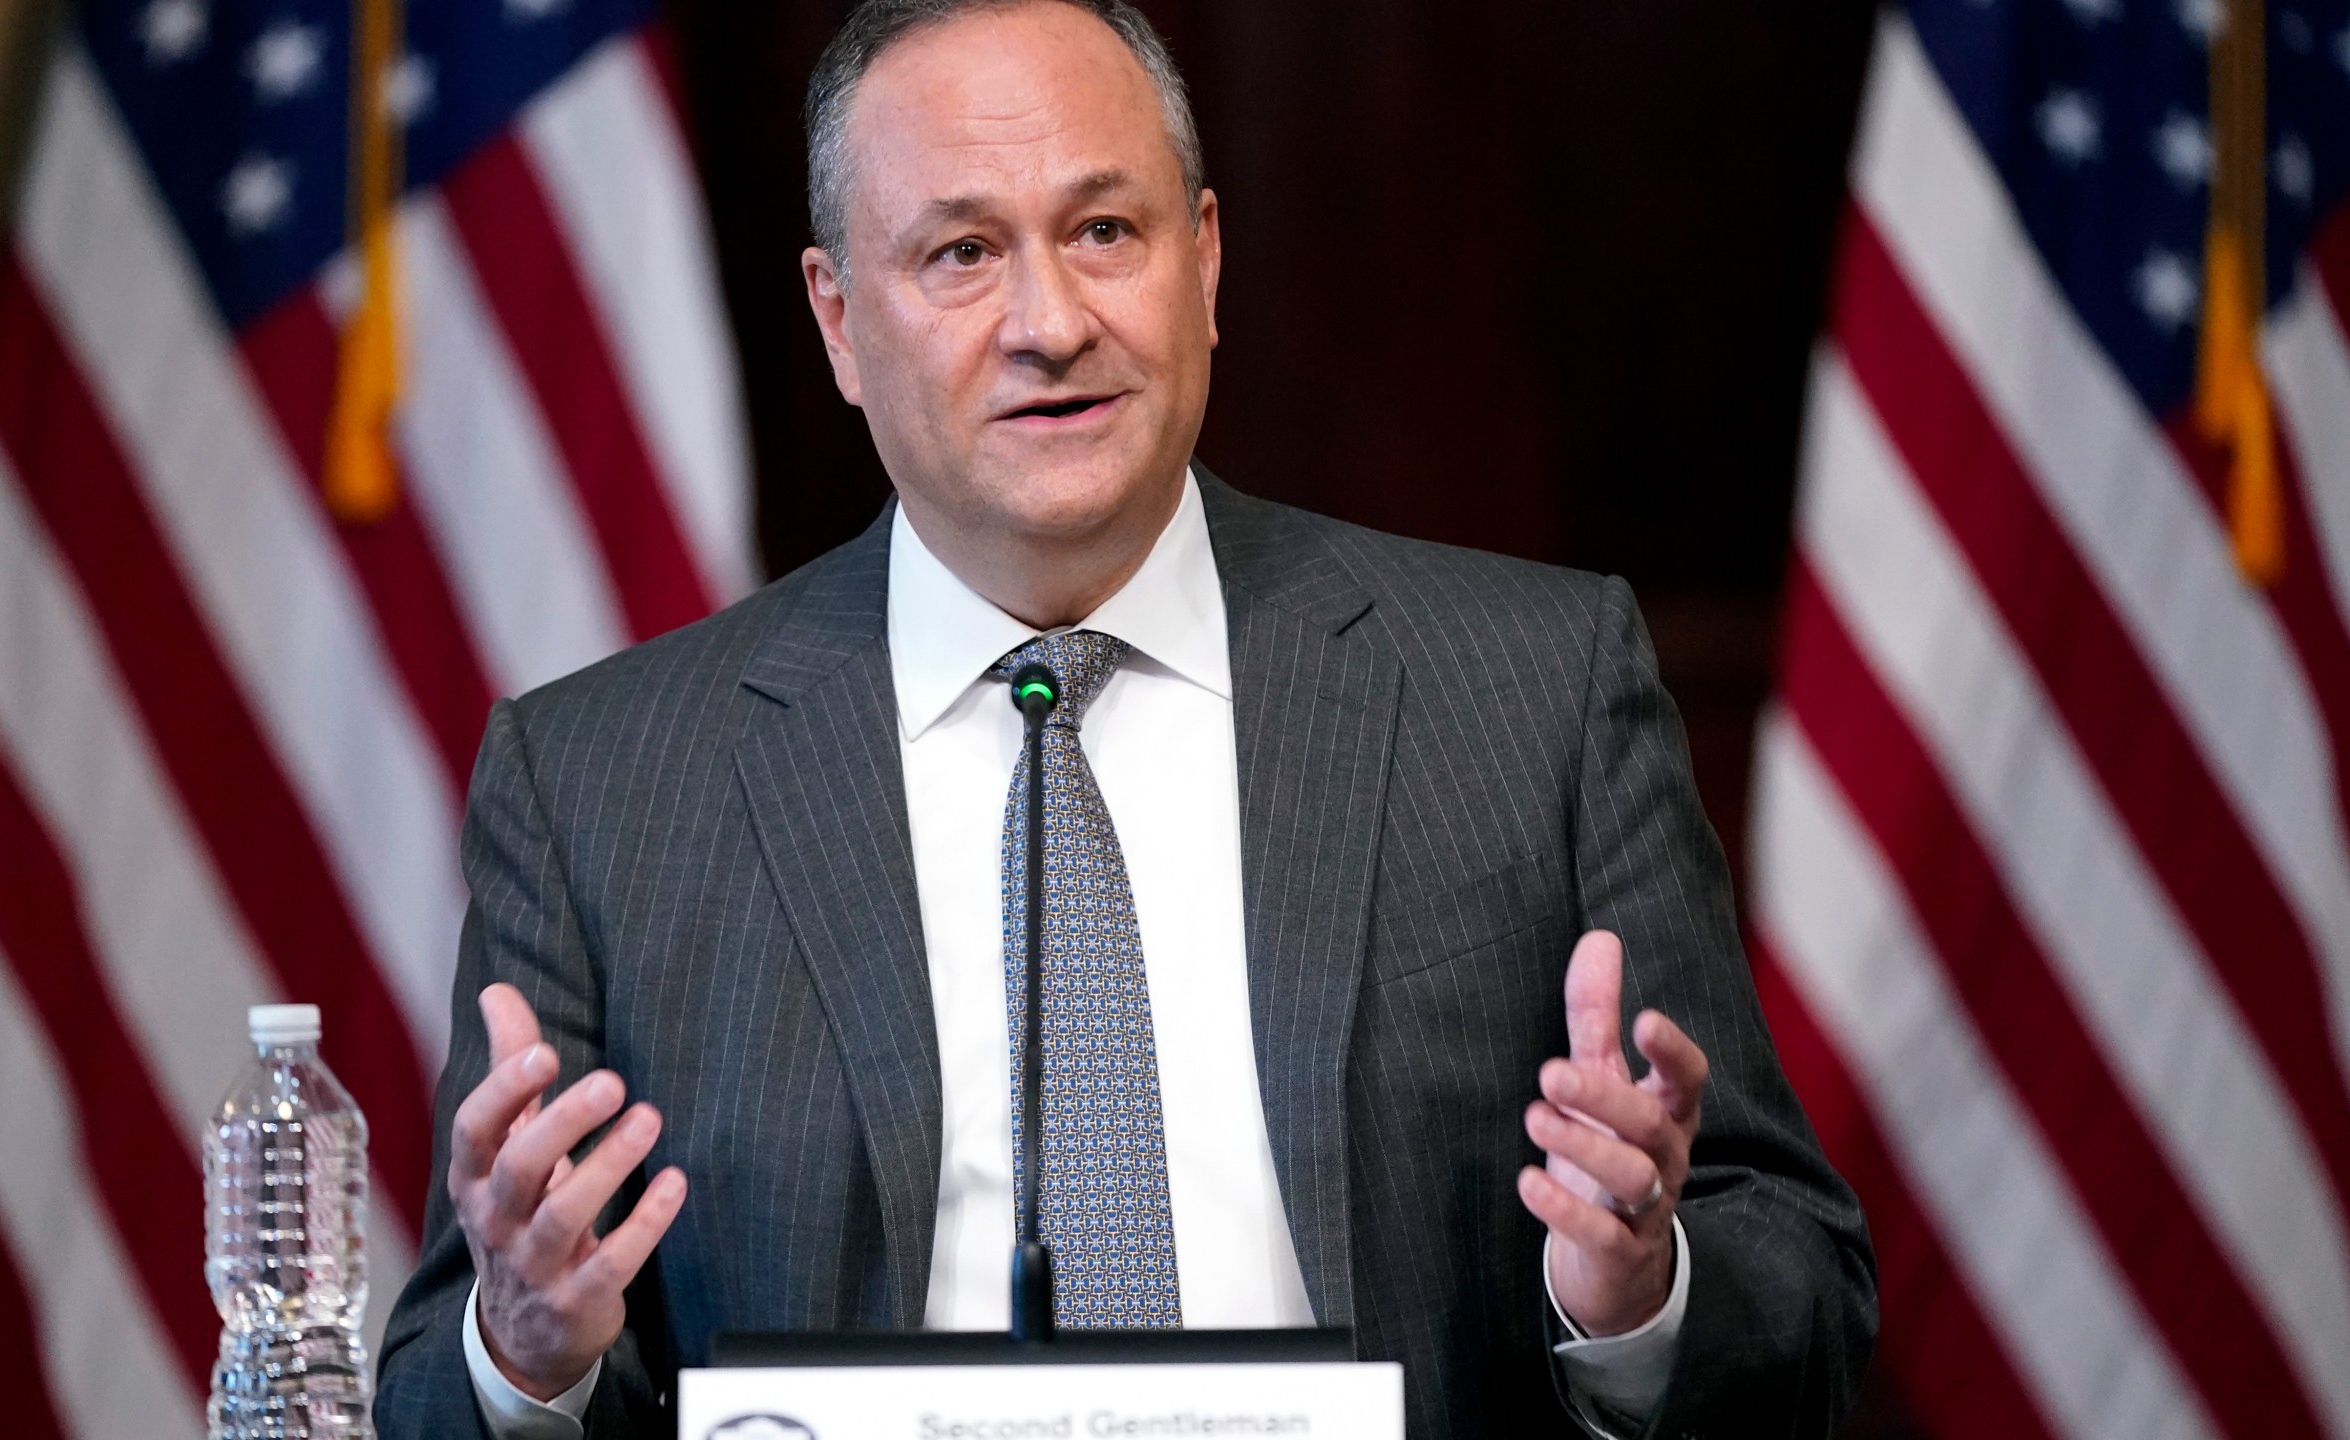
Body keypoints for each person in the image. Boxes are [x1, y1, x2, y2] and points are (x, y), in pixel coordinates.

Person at [375, 2, 1876, 1435]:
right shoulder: (604, 789)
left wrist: (1637, 1299)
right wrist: (526, 1354)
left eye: (1105, 232)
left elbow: (1802, 1293)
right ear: (837, 319)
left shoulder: (1530, 694)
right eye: (962, 253)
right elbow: (433, 1399)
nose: (1051, 322)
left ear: (1206, 263)